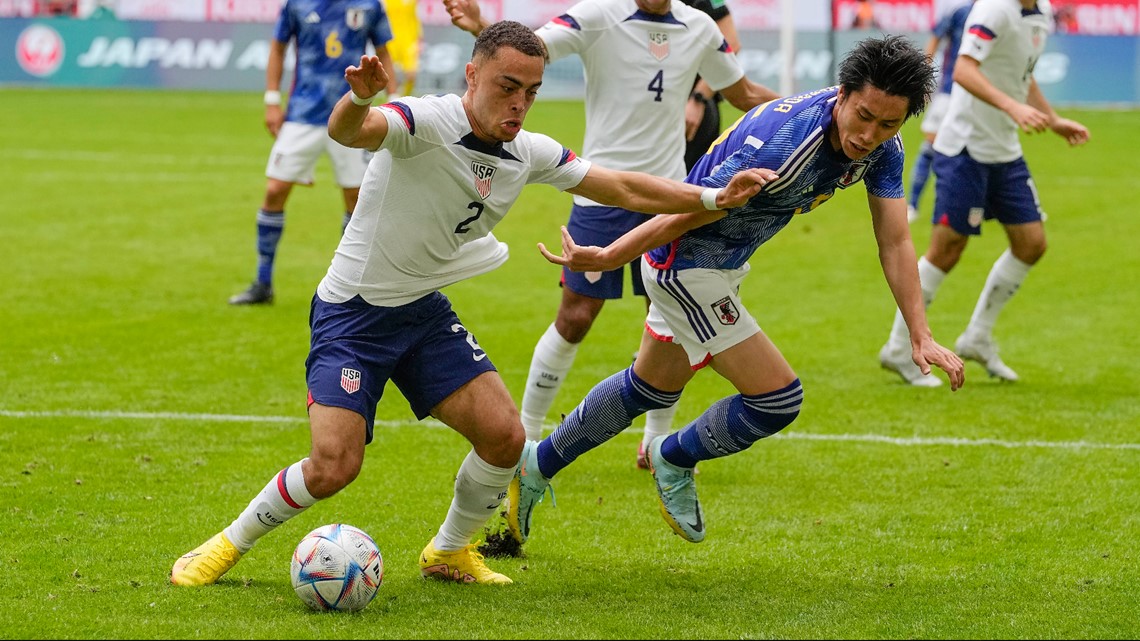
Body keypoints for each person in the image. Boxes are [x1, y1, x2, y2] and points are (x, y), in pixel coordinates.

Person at [170, 21, 773, 587]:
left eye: (531, 92)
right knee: (333, 467)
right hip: (353, 313)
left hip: (424, 313)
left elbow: (619, 184)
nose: (519, 103)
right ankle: (227, 543)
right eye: (507, 87)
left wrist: (714, 194)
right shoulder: (423, 121)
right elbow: (351, 132)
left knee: (506, 439)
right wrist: (358, 100)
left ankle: (450, 549)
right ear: (472, 77)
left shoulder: (529, 151)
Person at [500, 35, 965, 549]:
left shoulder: (883, 151)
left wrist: (920, 335)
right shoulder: (785, 144)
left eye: (888, 124)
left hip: (723, 266)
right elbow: (692, 208)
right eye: (863, 115)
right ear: (842, 95)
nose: (869, 134)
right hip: (685, 265)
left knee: (647, 388)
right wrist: (612, 255)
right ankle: (672, 457)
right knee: (777, 399)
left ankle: (535, 466)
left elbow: (896, 240)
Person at [444, 0, 779, 471]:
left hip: (668, 194)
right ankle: (528, 435)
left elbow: (743, 94)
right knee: (576, 316)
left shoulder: (699, 27)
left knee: (670, 321)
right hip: (601, 192)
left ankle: (655, 444)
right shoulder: (599, 15)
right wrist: (481, 26)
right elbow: (533, 47)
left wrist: (811, 109)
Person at [879, 0, 1089, 386]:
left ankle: (976, 337)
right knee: (947, 249)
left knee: (1031, 243)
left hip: (1004, 150)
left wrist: (1053, 120)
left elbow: (1021, 76)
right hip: (965, 149)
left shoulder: (1038, 12)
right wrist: (1013, 108)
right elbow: (962, 70)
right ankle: (898, 348)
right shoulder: (994, 9)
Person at [228, 0, 398, 305]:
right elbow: (278, 47)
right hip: (302, 113)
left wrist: (395, 98)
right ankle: (263, 282)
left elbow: (384, 51)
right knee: (274, 191)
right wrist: (271, 99)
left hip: (352, 116)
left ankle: (353, 287)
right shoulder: (297, 4)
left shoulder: (369, 5)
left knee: (356, 200)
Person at [906, 0, 975, 224]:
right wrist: (922, 78)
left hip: (979, 96)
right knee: (931, 146)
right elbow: (936, 37)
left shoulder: (1000, 12)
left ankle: (969, 207)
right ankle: (913, 204)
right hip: (949, 92)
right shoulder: (960, 12)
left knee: (974, 151)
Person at [681, 0, 741, 171]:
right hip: (648, 103)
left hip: (692, 107)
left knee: (690, 184)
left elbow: (732, 44)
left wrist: (698, 98)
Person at [383, 0, 423, 98]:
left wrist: (419, 39)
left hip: (408, 41)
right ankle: (392, 98)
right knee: (388, 75)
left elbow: (415, 18)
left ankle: (404, 99)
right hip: (390, 41)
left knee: (411, 74)